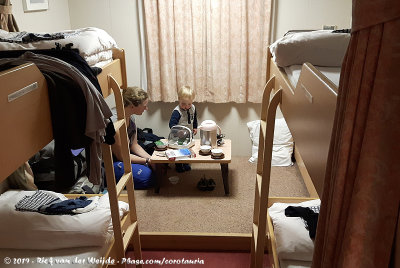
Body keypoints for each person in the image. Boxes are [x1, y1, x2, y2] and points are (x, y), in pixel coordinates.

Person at [111, 86, 155, 189]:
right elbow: (122, 157)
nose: (146, 108)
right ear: (132, 106)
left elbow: (134, 145)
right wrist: (147, 161)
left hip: (126, 155)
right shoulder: (115, 123)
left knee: (157, 164)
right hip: (113, 162)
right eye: (144, 106)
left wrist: (151, 159)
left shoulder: (130, 116)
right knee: (149, 177)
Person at [169, 85, 198, 173]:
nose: (186, 106)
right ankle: (178, 165)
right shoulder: (177, 111)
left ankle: (185, 163)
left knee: (187, 148)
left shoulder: (193, 108)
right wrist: (178, 131)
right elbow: (171, 124)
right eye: (183, 104)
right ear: (179, 100)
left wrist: (195, 127)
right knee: (179, 150)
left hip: (189, 133)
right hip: (179, 135)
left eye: (189, 104)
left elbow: (195, 118)